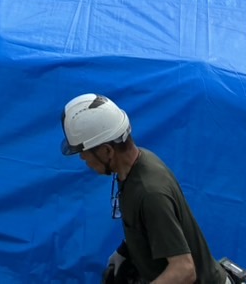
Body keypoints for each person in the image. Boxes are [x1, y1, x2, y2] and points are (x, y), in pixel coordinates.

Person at [61, 94, 230, 284]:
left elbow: (184, 270)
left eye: (84, 154)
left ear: (107, 151)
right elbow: (148, 225)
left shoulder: (150, 192)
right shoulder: (131, 169)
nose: (84, 160)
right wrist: (125, 251)